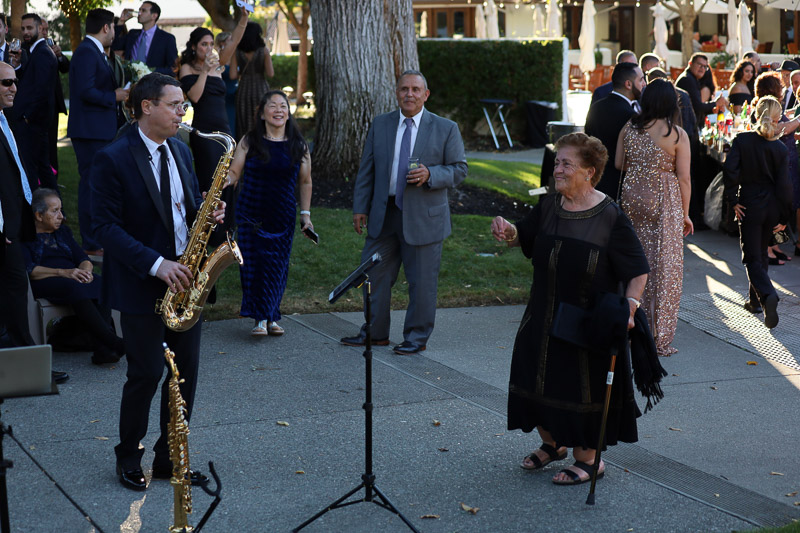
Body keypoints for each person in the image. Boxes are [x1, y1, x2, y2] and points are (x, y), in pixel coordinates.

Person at [91, 72, 226, 491]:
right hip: (143, 282)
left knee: (185, 376)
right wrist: (156, 264)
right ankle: (129, 456)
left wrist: (206, 212)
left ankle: (170, 459)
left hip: (186, 281)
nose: (183, 111)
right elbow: (103, 228)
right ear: (146, 107)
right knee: (146, 374)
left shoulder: (181, 150)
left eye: (183, 104)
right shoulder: (112, 158)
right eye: (174, 104)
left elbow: (182, 207)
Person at [491, 132, 648, 485]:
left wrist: (630, 308)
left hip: (586, 323)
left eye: (566, 163)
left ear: (589, 171)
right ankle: (554, 443)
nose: (557, 169)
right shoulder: (550, 205)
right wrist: (507, 230)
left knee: (578, 387)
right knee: (534, 378)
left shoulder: (609, 216)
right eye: (557, 162)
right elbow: (523, 235)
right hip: (541, 313)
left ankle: (589, 460)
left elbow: (638, 269)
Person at [340, 70, 468, 355]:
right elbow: (367, 170)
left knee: (421, 283)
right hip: (383, 215)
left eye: (415, 89)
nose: (409, 94)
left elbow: (460, 169)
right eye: (403, 89)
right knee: (374, 277)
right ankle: (375, 334)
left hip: (424, 218)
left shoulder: (445, 128)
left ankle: (416, 337)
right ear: (396, 93)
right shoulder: (381, 124)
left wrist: (431, 174)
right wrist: (360, 207)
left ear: (426, 94)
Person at [0, 60, 68, 383]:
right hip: (3, 227)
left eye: (14, 81)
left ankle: (26, 367)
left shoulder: (5, 119)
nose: (14, 88)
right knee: (13, 292)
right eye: (6, 83)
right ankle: (26, 370)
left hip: (13, 224)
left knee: (14, 293)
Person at [616, 79, 693, 356]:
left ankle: (628, 322)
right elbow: (684, 178)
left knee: (633, 258)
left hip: (632, 195)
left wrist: (642, 167)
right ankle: (656, 335)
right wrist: (685, 214)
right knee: (663, 264)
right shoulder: (676, 134)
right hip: (662, 197)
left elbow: (619, 163)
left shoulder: (629, 127)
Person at [227, 90, 312, 336]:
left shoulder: (298, 145)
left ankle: (271, 316)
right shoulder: (249, 141)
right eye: (273, 106)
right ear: (262, 113)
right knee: (253, 267)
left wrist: (305, 215)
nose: (278, 110)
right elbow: (234, 173)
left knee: (276, 267)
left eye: (283, 106)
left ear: (288, 113)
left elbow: (305, 181)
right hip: (250, 215)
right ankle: (260, 319)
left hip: (281, 215)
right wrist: (220, 184)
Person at [22, 188, 124, 364]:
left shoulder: (63, 233)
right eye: (55, 211)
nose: (61, 216)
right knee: (75, 286)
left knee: (101, 283)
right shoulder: (25, 236)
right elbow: (30, 269)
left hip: (72, 278)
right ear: (39, 215)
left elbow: (83, 259)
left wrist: (86, 272)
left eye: (61, 210)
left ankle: (103, 350)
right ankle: (113, 342)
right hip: (44, 281)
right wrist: (63, 272)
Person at [723, 96, 792, 329]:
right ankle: (755, 301)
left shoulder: (742, 140)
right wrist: (784, 216)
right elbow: (785, 186)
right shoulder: (780, 148)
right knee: (761, 253)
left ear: (756, 113)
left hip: (749, 205)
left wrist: (733, 200)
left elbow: (730, 170)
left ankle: (767, 294)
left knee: (751, 256)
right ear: (777, 119)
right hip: (771, 207)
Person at [68, 8, 129, 255]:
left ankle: (98, 238)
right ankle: (91, 243)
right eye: (114, 27)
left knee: (98, 183)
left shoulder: (96, 52)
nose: (114, 32)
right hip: (90, 131)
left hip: (98, 129)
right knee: (91, 185)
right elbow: (85, 91)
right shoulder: (86, 51)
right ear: (106, 27)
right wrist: (115, 96)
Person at [178, 17, 247, 193]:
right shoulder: (187, 68)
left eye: (211, 44)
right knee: (209, 178)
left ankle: (229, 212)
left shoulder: (218, 64)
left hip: (224, 127)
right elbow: (195, 97)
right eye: (204, 44)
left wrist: (244, 18)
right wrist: (204, 71)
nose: (209, 48)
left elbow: (234, 41)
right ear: (194, 47)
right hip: (204, 130)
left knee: (228, 178)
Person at [753, 71, 800, 264]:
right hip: (777, 164)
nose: (783, 88)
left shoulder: (775, 107)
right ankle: (767, 249)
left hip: (786, 160)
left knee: (782, 206)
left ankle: (775, 246)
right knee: (775, 206)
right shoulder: (766, 108)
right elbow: (780, 129)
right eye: (780, 85)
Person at [9, 13, 57, 191]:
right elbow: (29, 83)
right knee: (43, 169)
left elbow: (42, 91)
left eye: (29, 28)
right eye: (23, 29)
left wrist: (27, 117)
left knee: (32, 169)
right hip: (34, 123)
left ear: (40, 28)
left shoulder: (42, 53)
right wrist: (18, 66)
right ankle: (53, 205)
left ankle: (35, 205)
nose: (25, 32)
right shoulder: (35, 51)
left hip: (33, 124)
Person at [584, 62, 644, 200]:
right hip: (619, 185)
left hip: (595, 181)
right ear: (628, 84)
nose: (644, 84)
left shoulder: (596, 107)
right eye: (641, 79)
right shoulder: (630, 116)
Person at [230, 21, 274, 139]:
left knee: (244, 123)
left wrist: (243, 72)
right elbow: (270, 73)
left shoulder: (237, 52)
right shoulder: (264, 51)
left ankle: (245, 146)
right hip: (261, 89)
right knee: (262, 121)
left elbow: (232, 75)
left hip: (244, 90)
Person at [40, 19, 70, 174]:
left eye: (47, 29)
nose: (45, 32)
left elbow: (65, 67)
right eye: (42, 29)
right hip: (36, 104)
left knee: (52, 143)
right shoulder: (27, 48)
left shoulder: (51, 45)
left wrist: (59, 56)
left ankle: (53, 178)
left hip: (52, 104)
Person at [117, 2, 178, 76]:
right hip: (130, 80)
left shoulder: (167, 38)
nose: (139, 13)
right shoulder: (132, 34)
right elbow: (115, 45)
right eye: (139, 10)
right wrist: (121, 21)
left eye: (143, 10)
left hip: (154, 81)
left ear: (154, 16)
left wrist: (148, 71)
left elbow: (172, 69)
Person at [215, 31, 238, 136]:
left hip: (235, 94)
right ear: (222, 43)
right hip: (225, 94)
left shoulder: (235, 56)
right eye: (230, 40)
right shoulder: (219, 58)